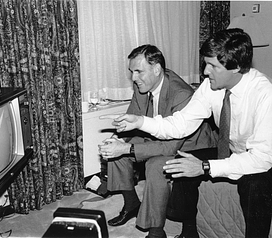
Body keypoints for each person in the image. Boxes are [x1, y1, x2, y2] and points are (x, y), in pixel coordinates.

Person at [101, 29, 272, 238]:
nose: (205, 71)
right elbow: (180, 124)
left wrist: (204, 167)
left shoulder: (264, 94)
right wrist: (140, 121)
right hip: (228, 148)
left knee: (255, 185)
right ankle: (189, 231)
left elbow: (261, 158)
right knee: (181, 164)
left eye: (213, 66)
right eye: (205, 63)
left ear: (235, 67)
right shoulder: (211, 87)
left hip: (260, 157)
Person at [98, 44, 217, 238]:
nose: (134, 78)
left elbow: (171, 145)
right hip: (159, 136)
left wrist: (127, 148)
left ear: (157, 69)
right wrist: (116, 139)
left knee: (155, 165)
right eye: (131, 72)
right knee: (116, 150)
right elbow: (133, 116)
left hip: (189, 146)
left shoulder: (181, 94)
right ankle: (131, 204)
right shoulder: (143, 86)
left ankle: (156, 231)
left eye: (138, 71)